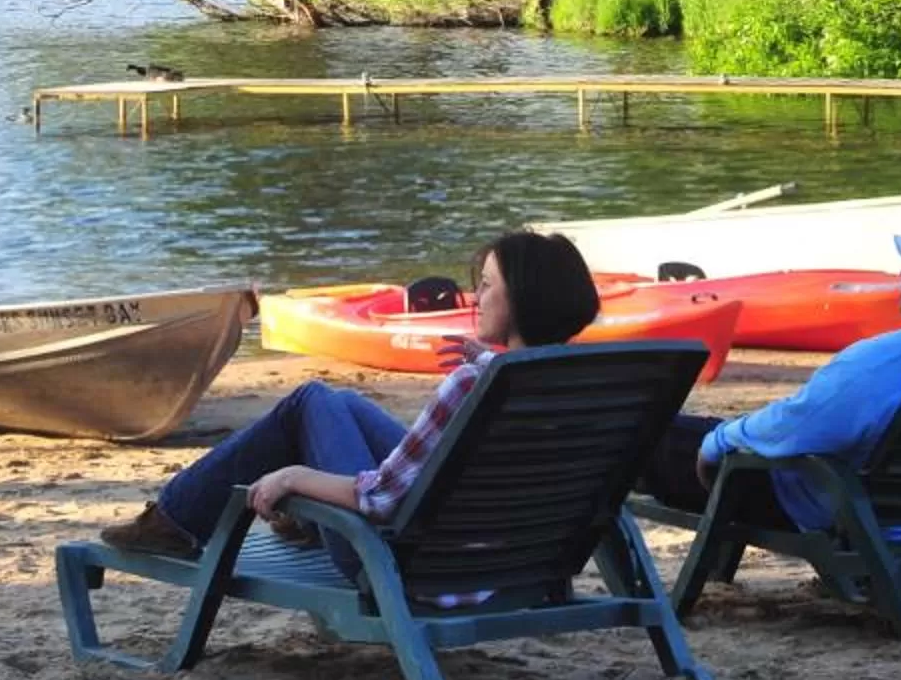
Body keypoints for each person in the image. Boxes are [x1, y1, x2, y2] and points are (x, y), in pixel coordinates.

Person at [98, 230, 603, 567]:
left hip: (408, 561)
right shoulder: (582, 381)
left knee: (309, 402)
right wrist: (488, 358)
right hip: (512, 559)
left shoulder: (477, 385)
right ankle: (291, 524)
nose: (475, 297)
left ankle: (175, 520)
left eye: (488, 285)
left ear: (524, 299)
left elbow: (382, 498)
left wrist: (292, 477)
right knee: (343, 405)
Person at [637, 222, 901, 531]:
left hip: (837, 503)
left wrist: (717, 442)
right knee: (683, 430)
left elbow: (802, 424)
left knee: (635, 439)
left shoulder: (892, 358)